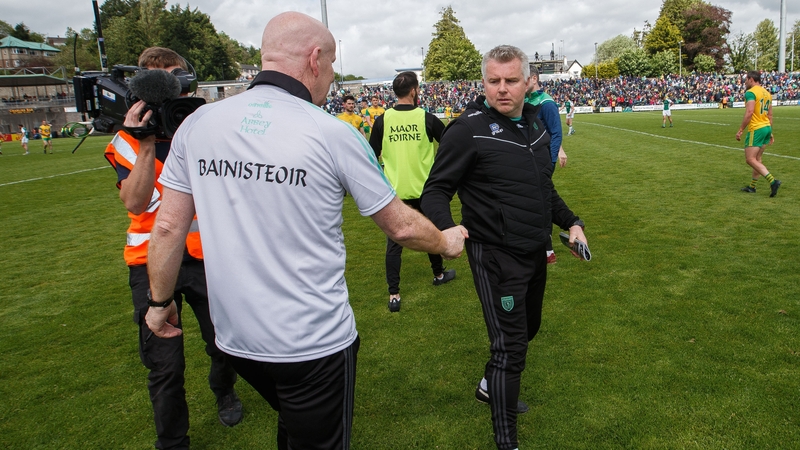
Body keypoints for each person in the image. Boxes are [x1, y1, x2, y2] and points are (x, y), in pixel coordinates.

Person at [144, 12, 467, 450]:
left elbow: (167, 226)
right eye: (331, 65)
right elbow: (401, 226)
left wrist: (159, 302)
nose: (331, 78)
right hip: (313, 344)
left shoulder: (198, 124)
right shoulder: (331, 132)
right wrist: (446, 241)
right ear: (315, 59)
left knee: (295, 426)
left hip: (236, 338)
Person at [421, 44, 588, 450]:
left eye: (511, 80)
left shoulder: (535, 126)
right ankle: (506, 440)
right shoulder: (467, 130)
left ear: (527, 82)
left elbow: (542, 188)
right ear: (483, 82)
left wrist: (572, 223)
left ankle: (487, 386)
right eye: (493, 80)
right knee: (510, 349)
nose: (502, 88)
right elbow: (435, 191)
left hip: (534, 250)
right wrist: (447, 229)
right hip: (494, 255)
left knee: (529, 329)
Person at [104, 46, 243, 450]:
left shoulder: (203, 129)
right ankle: (172, 441)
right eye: (158, 77)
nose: (168, 84)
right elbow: (135, 202)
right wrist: (145, 142)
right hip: (149, 261)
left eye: (173, 74)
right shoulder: (127, 139)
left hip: (205, 256)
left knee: (222, 343)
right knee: (165, 364)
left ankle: (224, 390)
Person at [368, 71, 454, 312]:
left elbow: (370, 155)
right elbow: (450, 144)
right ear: (415, 90)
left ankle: (394, 294)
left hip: (394, 193)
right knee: (431, 234)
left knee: (394, 243)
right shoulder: (426, 117)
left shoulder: (383, 120)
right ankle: (438, 274)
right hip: (425, 190)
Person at [525, 66, 567, 265]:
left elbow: (556, 133)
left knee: (542, 203)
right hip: (526, 161)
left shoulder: (546, 103)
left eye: (524, 78)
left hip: (542, 163)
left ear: (534, 79)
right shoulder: (526, 100)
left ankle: (548, 249)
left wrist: (550, 162)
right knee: (535, 201)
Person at [736, 70, 780, 197]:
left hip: (756, 128)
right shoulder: (767, 93)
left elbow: (750, 112)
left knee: (750, 159)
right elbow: (770, 115)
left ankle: (773, 181)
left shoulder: (751, 92)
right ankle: (752, 187)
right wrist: (770, 132)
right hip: (766, 127)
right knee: (757, 159)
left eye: (746, 79)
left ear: (751, 79)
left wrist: (741, 129)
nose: (745, 82)